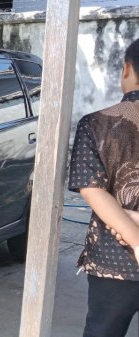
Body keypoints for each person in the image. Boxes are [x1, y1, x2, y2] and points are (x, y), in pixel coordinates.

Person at [68, 38, 139, 337]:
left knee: (103, 331)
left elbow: (92, 188)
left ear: (127, 69)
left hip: (114, 260)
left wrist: (136, 239)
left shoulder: (95, 124)